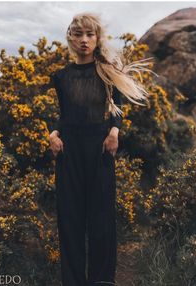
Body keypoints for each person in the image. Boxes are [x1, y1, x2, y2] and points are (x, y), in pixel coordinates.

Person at [48, 12, 155, 286]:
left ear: (97, 38)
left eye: (90, 34)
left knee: (101, 219)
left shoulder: (107, 72)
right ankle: (72, 281)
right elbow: (65, 114)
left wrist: (114, 132)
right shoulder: (60, 77)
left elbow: (117, 110)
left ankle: (102, 281)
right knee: (70, 219)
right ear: (70, 38)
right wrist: (53, 133)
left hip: (99, 150)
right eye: (79, 34)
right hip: (69, 152)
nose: (84, 40)